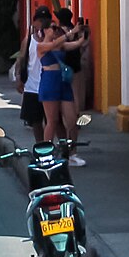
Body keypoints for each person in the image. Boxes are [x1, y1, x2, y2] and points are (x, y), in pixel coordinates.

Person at [38, 11, 88, 164]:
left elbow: (76, 44)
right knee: (52, 121)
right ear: (46, 30)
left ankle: (71, 153)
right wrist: (70, 32)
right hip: (50, 82)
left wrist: (83, 35)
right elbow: (51, 45)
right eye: (53, 28)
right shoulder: (42, 46)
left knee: (72, 119)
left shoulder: (61, 46)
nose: (56, 30)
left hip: (63, 83)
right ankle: (45, 155)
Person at [14, 6, 52, 140]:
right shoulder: (29, 40)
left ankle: (49, 147)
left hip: (49, 86)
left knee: (51, 122)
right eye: (39, 20)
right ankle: (40, 146)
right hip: (32, 86)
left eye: (45, 21)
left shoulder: (53, 40)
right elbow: (21, 59)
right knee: (36, 122)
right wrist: (18, 77)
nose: (41, 24)